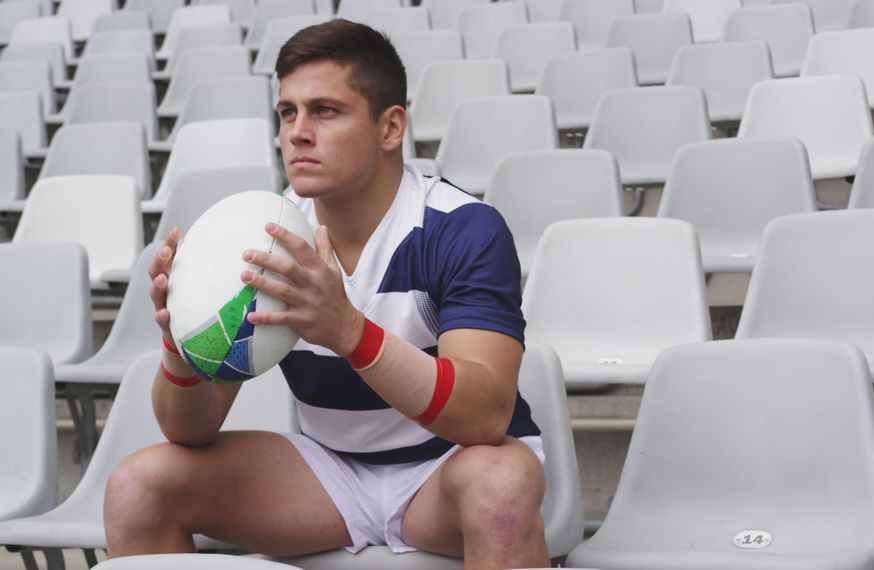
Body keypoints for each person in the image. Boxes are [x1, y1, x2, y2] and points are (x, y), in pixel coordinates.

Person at [103, 19, 550, 569]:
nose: (298, 132)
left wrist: (349, 332)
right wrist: (182, 344)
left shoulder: (462, 228)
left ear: (390, 128)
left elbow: (484, 418)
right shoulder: (261, 233)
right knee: (139, 486)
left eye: (325, 111)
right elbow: (187, 429)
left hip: (449, 469)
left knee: (501, 485)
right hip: (333, 471)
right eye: (288, 112)